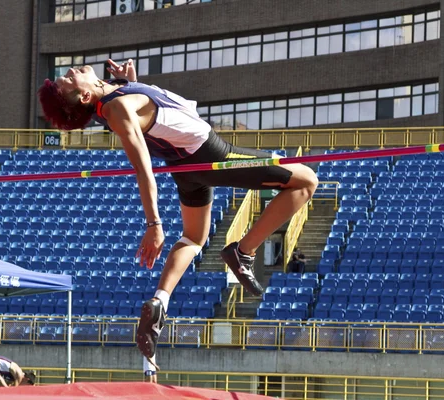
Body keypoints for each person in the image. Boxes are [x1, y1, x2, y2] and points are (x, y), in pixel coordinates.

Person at [38, 59, 318, 371]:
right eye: (68, 79)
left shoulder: (116, 97)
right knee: (306, 180)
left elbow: (153, 114)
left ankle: (160, 301)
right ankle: (243, 251)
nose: (71, 71)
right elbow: (143, 169)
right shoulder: (116, 110)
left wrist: (130, 82)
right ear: (86, 97)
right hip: (209, 155)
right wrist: (154, 223)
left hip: (187, 167)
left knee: (194, 238)